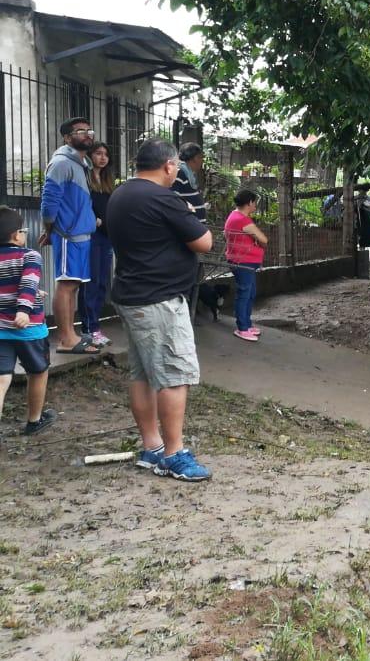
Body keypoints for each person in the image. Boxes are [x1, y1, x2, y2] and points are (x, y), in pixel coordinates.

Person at [106, 138, 214, 482]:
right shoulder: (163, 198)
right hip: (159, 299)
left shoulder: (121, 194)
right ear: (169, 165)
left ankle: (152, 446)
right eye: (176, 168)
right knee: (173, 375)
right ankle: (173, 453)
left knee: (143, 375)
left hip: (131, 293)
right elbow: (204, 241)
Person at [38, 117, 100, 356]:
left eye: (88, 130)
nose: (87, 134)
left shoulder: (80, 163)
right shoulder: (62, 163)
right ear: (67, 138)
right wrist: (50, 229)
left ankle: (71, 334)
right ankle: (65, 338)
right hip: (68, 235)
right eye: (80, 131)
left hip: (80, 234)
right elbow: (49, 201)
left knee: (73, 285)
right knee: (66, 285)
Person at [0, 207, 58, 435]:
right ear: (17, 234)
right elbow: (26, 284)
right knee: (38, 371)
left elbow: (14, 286)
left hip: (1, 330)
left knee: (2, 377)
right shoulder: (29, 255)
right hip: (29, 330)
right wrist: (24, 309)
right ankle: (34, 420)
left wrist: (35, 293)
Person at [81, 142, 115, 347]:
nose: (102, 157)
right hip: (91, 236)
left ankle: (95, 327)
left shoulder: (108, 181)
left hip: (107, 236)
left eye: (105, 154)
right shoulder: (84, 178)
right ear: (90, 156)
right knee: (91, 283)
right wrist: (94, 219)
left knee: (102, 282)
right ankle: (89, 328)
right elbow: (82, 203)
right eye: (98, 153)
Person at [224, 189, 269, 342]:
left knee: (250, 292)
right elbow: (264, 239)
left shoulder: (234, 215)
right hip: (243, 261)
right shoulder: (243, 220)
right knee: (245, 293)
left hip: (242, 260)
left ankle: (247, 324)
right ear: (249, 203)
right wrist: (257, 242)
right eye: (254, 202)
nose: (255, 205)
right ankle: (242, 328)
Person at [174, 143, 208, 222]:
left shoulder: (188, 174)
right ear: (196, 158)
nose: (202, 161)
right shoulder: (179, 173)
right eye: (201, 158)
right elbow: (173, 200)